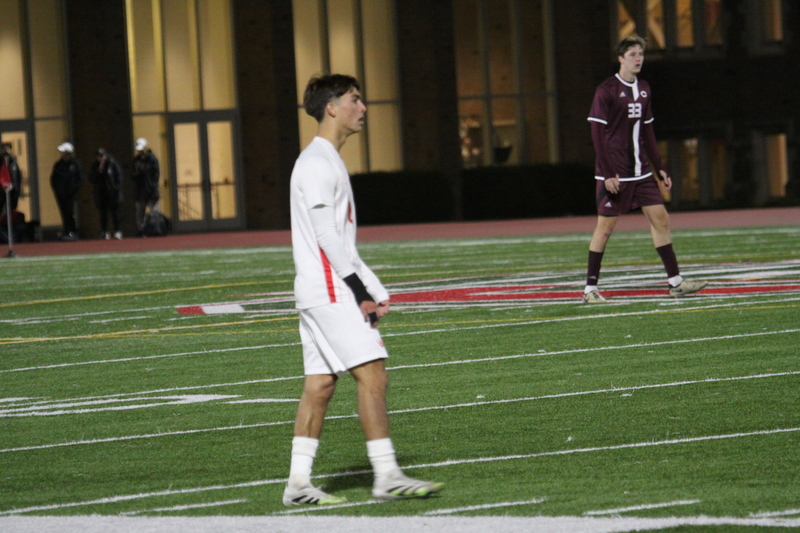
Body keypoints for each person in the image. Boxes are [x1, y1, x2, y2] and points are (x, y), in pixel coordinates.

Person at [283, 74, 443, 506]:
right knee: (373, 374)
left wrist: (374, 284)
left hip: (322, 288)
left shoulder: (325, 159)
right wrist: (359, 292)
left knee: (319, 385)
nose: (364, 107)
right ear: (331, 107)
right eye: (355, 99)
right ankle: (387, 474)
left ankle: (298, 484)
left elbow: (342, 241)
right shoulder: (317, 163)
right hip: (331, 290)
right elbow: (325, 237)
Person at [583, 34, 707, 303]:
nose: (638, 59)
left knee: (661, 219)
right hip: (615, 173)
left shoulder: (645, 88)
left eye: (641, 54)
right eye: (632, 55)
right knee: (604, 229)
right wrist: (607, 174)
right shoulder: (606, 90)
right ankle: (590, 289)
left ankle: (675, 282)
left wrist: (660, 167)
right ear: (620, 59)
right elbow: (596, 134)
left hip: (641, 173)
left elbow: (648, 131)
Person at [50, 142, 83, 241]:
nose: (62, 153)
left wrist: (74, 190)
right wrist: (57, 190)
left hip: (71, 194)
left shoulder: (75, 164)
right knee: (63, 212)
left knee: (70, 212)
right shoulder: (58, 164)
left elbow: (79, 179)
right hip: (60, 193)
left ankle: (72, 231)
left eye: (63, 152)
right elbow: (53, 179)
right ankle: (66, 230)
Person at [89, 148, 124, 240]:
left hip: (112, 193)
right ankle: (104, 231)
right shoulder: (95, 165)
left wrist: (116, 189)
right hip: (101, 193)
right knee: (103, 214)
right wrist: (98, 171)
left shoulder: (113, 164)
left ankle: (117, 231)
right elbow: (91, 179)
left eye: (102, 156)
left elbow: (119, 177)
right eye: (98, 156)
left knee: (115, 213)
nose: (100, 158)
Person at [131, 137, 160, 236]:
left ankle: (156, 229)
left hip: (150, 189)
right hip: (140, 190)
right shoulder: (136, 160)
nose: (140, 151)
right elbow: (132, 175)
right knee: (140, 212)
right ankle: (142, 231)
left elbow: (156, 175)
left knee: (154, 212)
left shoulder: (152, 159)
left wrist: (152, 185)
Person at [0, 143, 22, 216]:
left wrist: (16, 191)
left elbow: (16, 177)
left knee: (8, 212)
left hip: (10, 192)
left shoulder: (12, 162)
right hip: (3, 191)